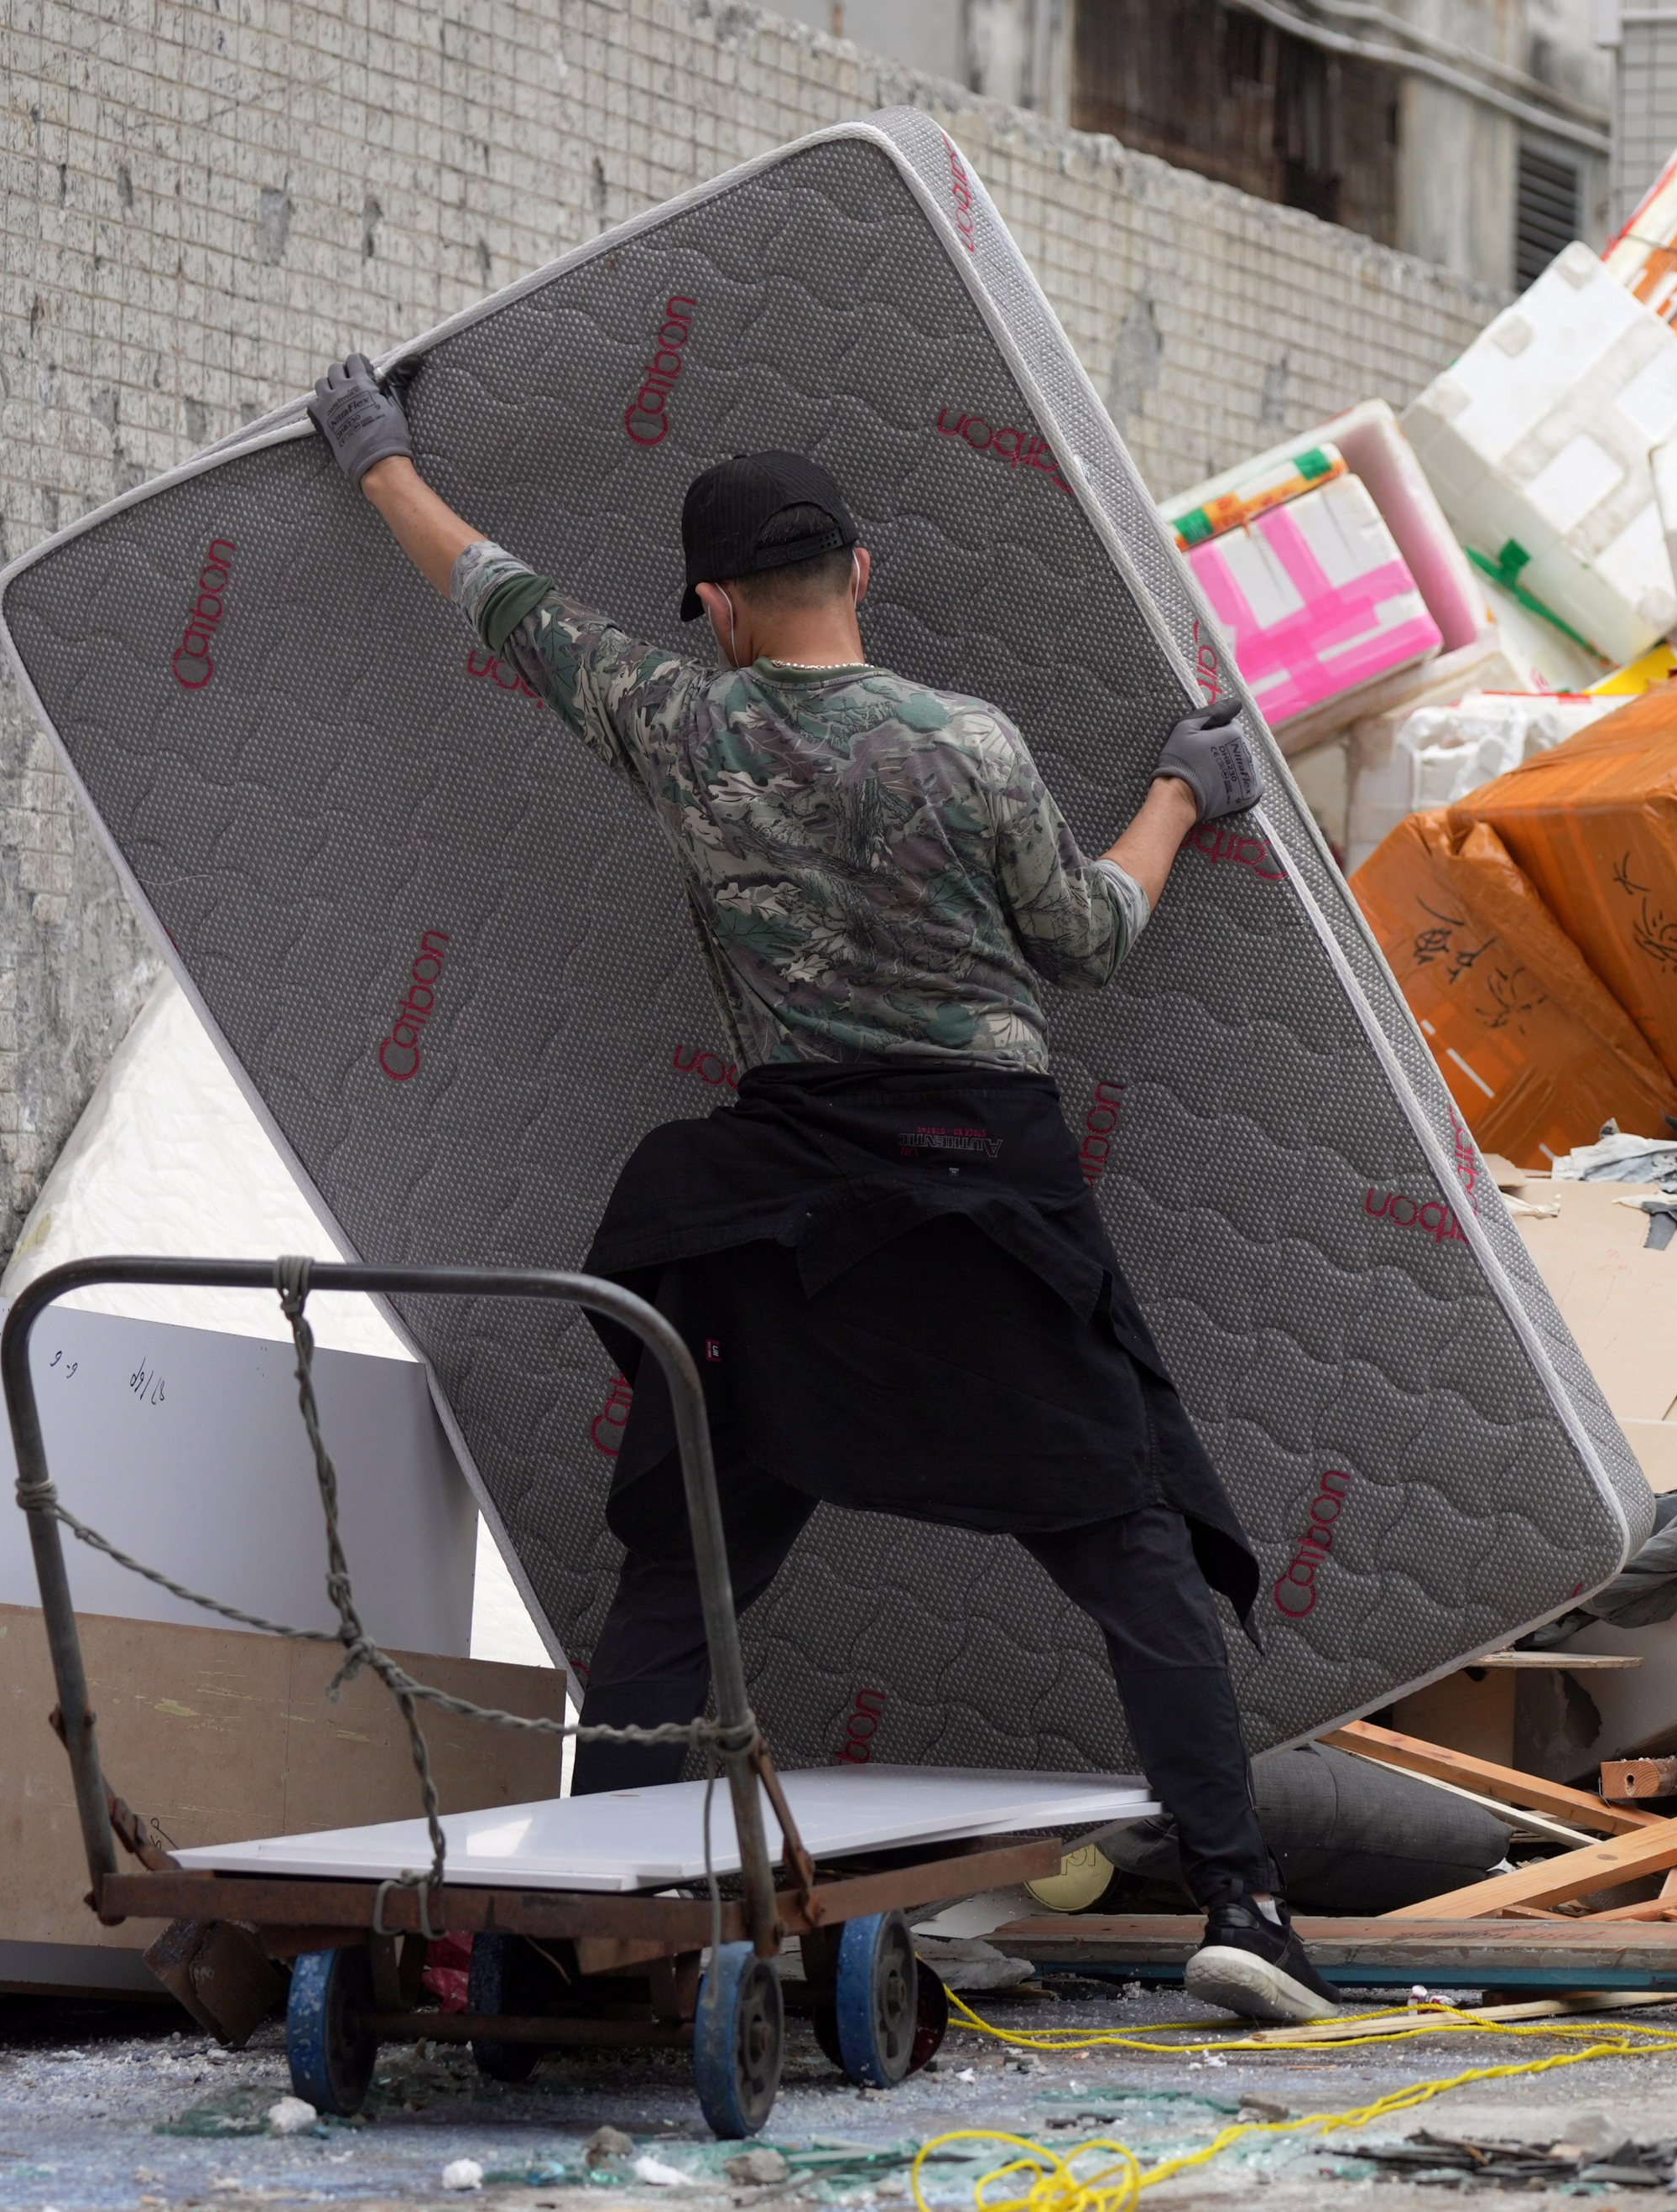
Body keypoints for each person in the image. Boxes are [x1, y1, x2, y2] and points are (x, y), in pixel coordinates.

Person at [304, 355, 1344, 2027]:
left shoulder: (678, 717)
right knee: (1133, 1549)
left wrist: (378, 458)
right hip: (984, 1193)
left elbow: (497, 596)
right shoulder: (973, 746)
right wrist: (1179, 791)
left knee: (681, 1563)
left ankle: (577, 1948)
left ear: (714, 604)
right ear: (860, 572)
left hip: (781, 1213)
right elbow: (1085, 940)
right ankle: (1243, 1906)